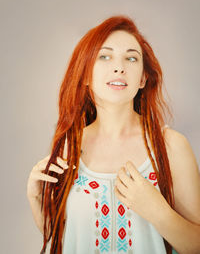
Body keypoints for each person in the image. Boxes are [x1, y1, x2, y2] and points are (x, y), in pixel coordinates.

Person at [27, 15, 200, 254]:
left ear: (142, 79)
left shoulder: (171, 146)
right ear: (85, 75)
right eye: (105, 56)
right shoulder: (69, 146)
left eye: (131, 58)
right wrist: (36, 198)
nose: (119, 67)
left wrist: (158, 212)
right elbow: (67, 238)